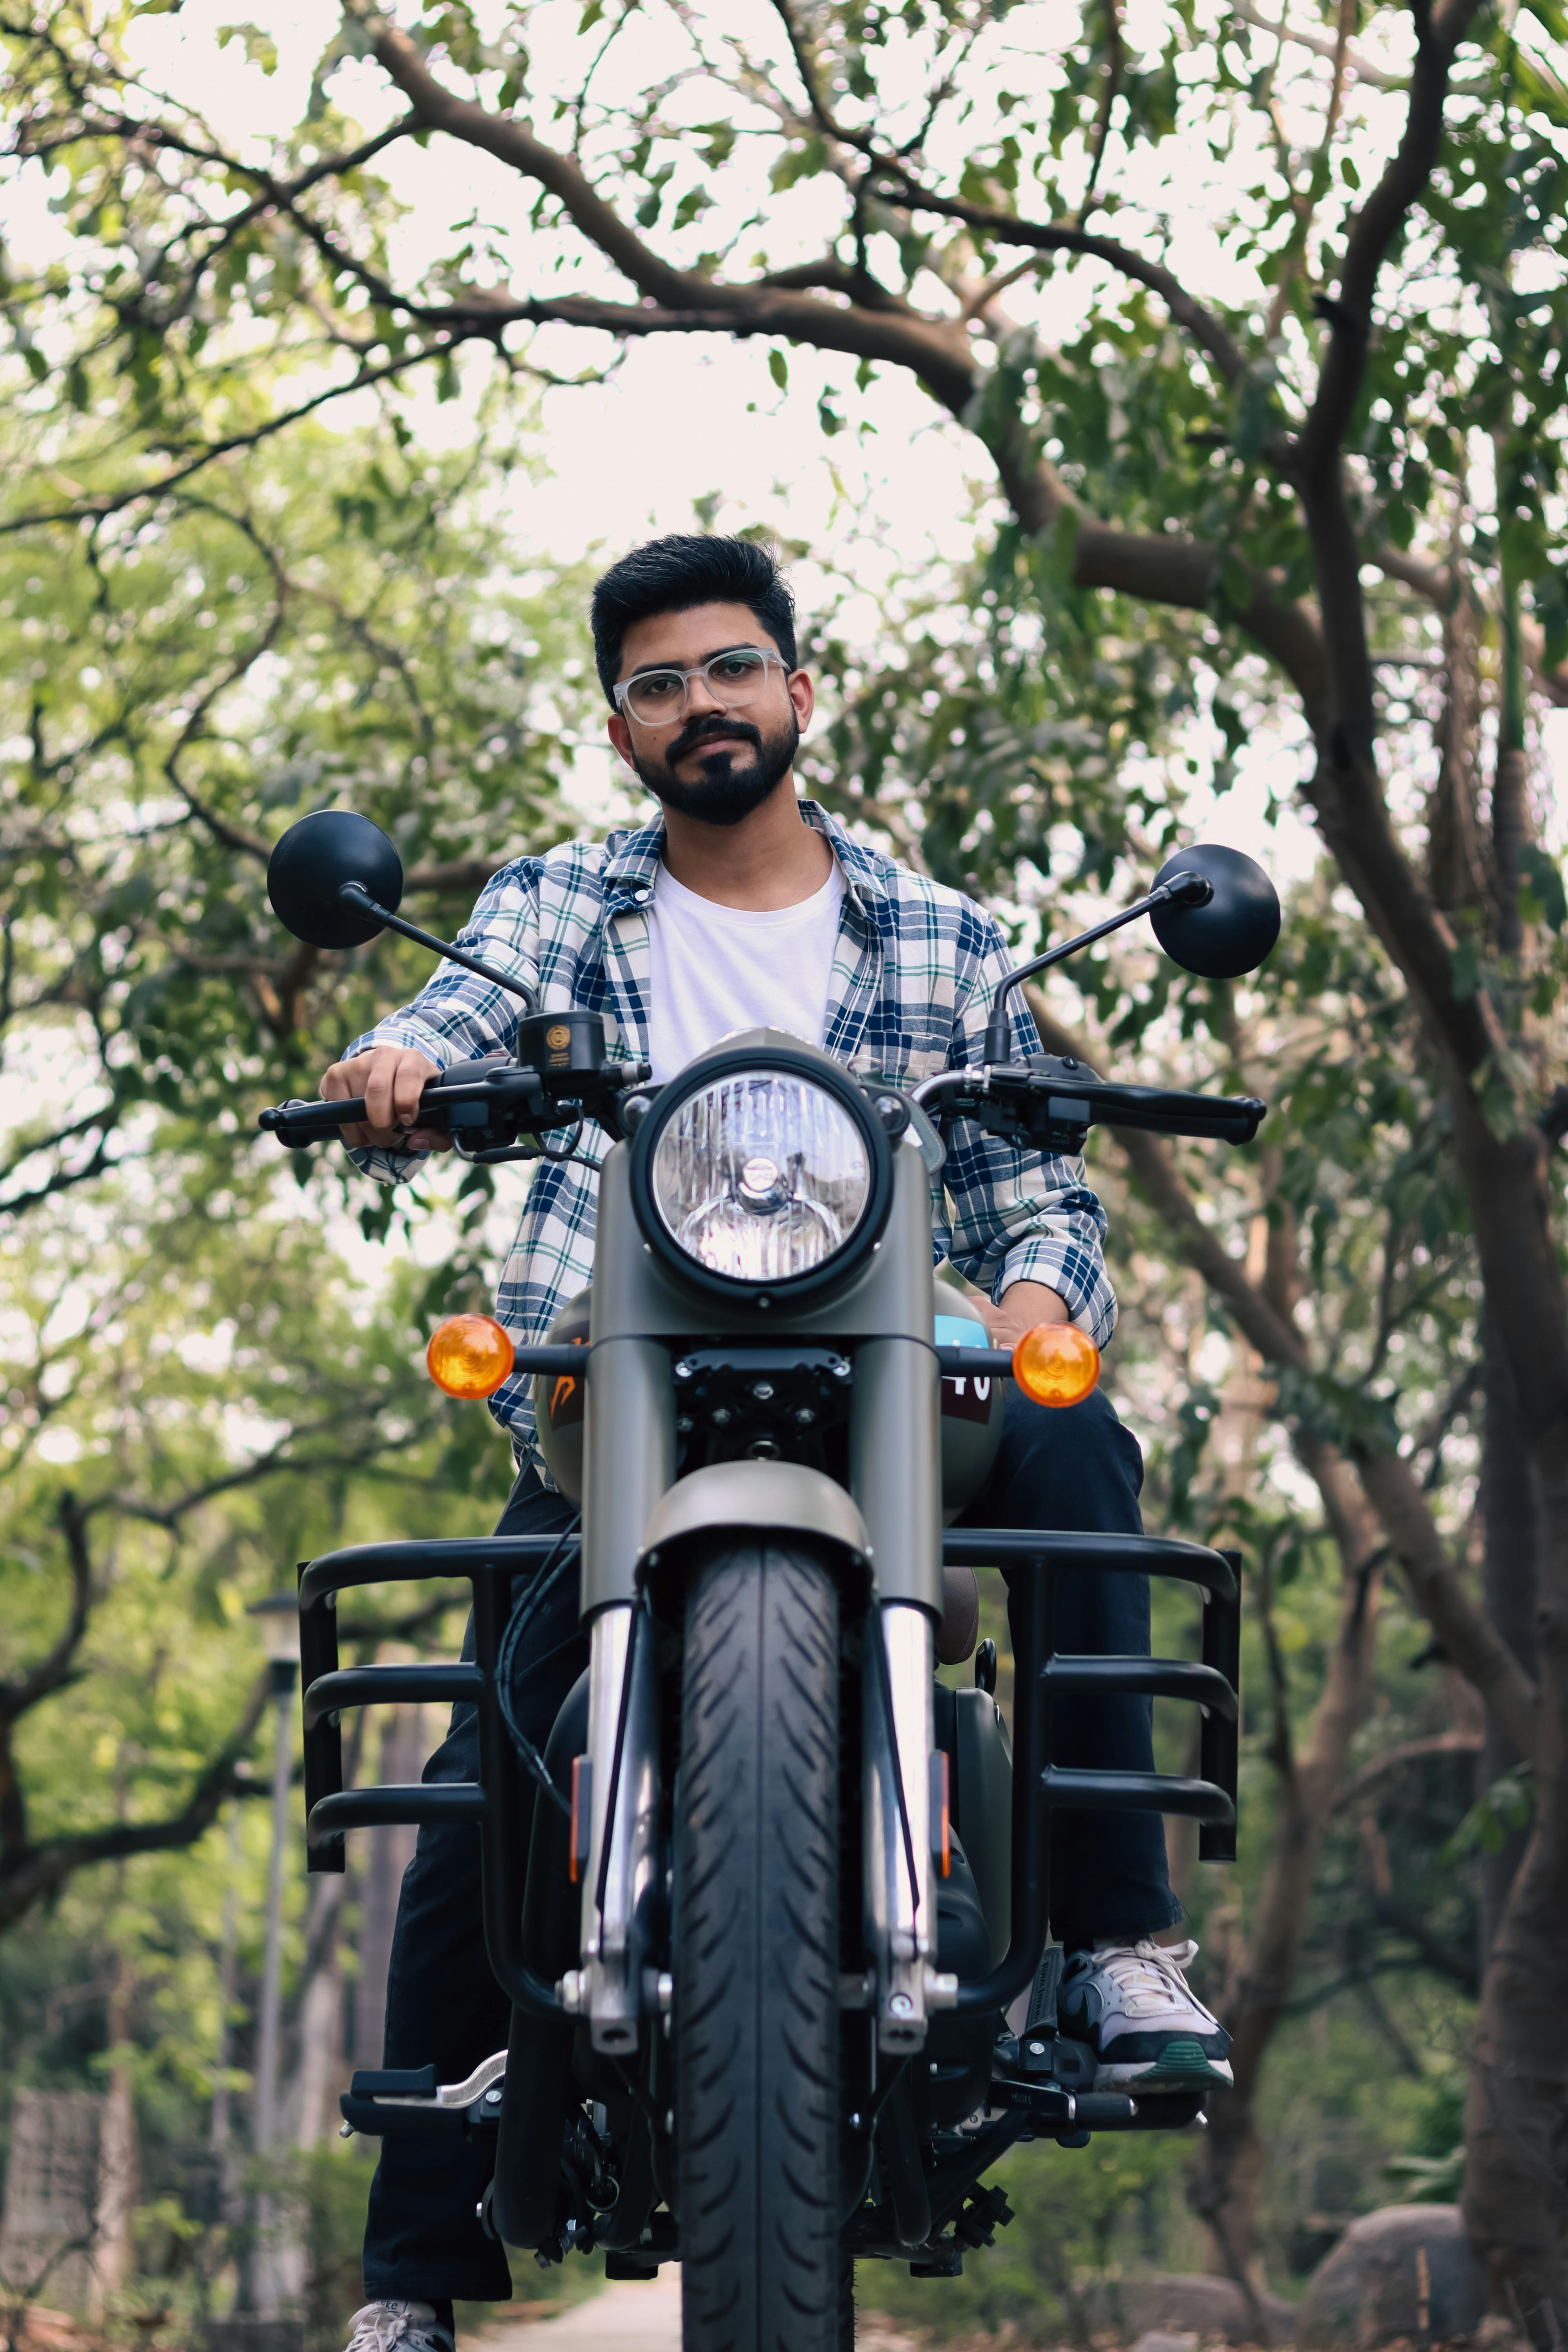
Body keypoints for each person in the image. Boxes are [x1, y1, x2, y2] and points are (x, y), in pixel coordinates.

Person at [324, 537, 1232, 2352]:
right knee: (486, 1731)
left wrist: (1050, 1294)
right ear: (620, 728)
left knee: (1081, 1459)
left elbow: (1037, 1179)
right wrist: (397, 1066)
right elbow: (457, 1007)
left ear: (797, 693)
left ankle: (1121, 1944)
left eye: (731, 670)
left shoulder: (942, 930)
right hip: (619, 1376)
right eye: (659, 685)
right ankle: (414, 2276)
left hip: (905, 1362)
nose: (701, 706)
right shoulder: (561, 901)